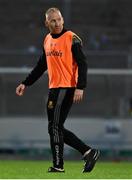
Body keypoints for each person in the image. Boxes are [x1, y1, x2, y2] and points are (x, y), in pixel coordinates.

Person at [16, 7, 100, 173]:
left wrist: (80, 87)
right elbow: (41, 65)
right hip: (54, 88)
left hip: (66, 87)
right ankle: (89, 152)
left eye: (59, 19)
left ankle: (58, 165)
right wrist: (25, 83)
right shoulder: (47, 39)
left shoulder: (72, 38)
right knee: (55, 127)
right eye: (53, 20)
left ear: (63, 20)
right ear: (47, 23)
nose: (57, 23)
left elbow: (83, 64)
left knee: (54, 126)